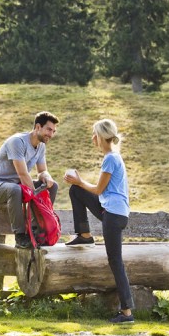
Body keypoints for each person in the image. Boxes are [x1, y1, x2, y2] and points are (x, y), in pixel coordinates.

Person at [63, 119, 133, 323]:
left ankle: (127, 312)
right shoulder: (113, 157)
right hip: (111, 211)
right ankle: (84, 235)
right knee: (76, 191)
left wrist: (79, 180)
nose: (92, 138)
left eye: (94, 134)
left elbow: (98, 190)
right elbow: (98, 192)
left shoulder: (111, 158)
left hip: (113, 215)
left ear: (101, 137)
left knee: (115, 262)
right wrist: (78, 184)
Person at [0, 111, 59, 249]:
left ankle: (37, 230)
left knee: (52, 186)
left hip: (16, 185)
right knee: (15, 189)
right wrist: (35, 196)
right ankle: (20, 236)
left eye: (53, 131)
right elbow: (23, 174)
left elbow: (42, 171)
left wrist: (47, 178)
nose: (51, 134)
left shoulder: (41, 146)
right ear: (37, 127)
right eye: (48, 129)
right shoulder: (17, 142)